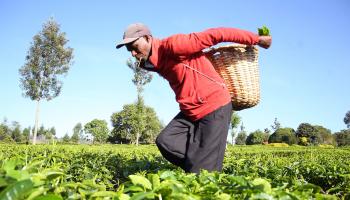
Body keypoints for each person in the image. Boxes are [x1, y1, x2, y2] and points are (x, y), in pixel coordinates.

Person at [116, 23, 272, 173]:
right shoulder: (148, 62)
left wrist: (256, 39)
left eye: (135, 47)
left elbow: (217, 34)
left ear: (148, 39)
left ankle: (205, 169)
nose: (133, 53)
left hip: (214, 106)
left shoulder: (175, 45)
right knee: (166, 141)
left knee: (203, 172)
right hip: (190, 110)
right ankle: (202, 163)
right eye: (129, 50)